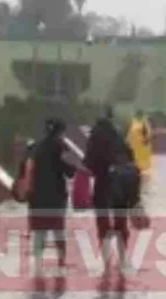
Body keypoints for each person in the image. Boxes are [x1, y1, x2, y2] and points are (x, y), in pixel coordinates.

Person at [85, 106, 140, 265]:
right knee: (121, 221)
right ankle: (122, 258)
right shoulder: (119, 133)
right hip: (122, 181)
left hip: (103, 181)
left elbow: (90, 160)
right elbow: (130, 156)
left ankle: (106, 259)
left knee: (102, 222)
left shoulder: (95, 134)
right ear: (112, 117)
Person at [26, 118, 78, 268]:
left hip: (36, 196)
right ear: (60, 132)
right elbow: (70, 172)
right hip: (56, 196)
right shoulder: (60, 147)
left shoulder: (35, 147)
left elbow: (26, 168)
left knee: (39, 231)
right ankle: (61, 261)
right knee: (58, 230)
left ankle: (37, 262)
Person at [127, 109, 153, 175]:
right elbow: (130, 133)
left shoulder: (144, 122)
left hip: (142, 145)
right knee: (135, 159)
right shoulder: (133, 122)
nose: (138, 116)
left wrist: (146, 140)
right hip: (134, 145)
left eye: (139, 114)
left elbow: (148, 133)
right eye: (137, 114)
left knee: (142, 161)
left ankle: (143, 172)